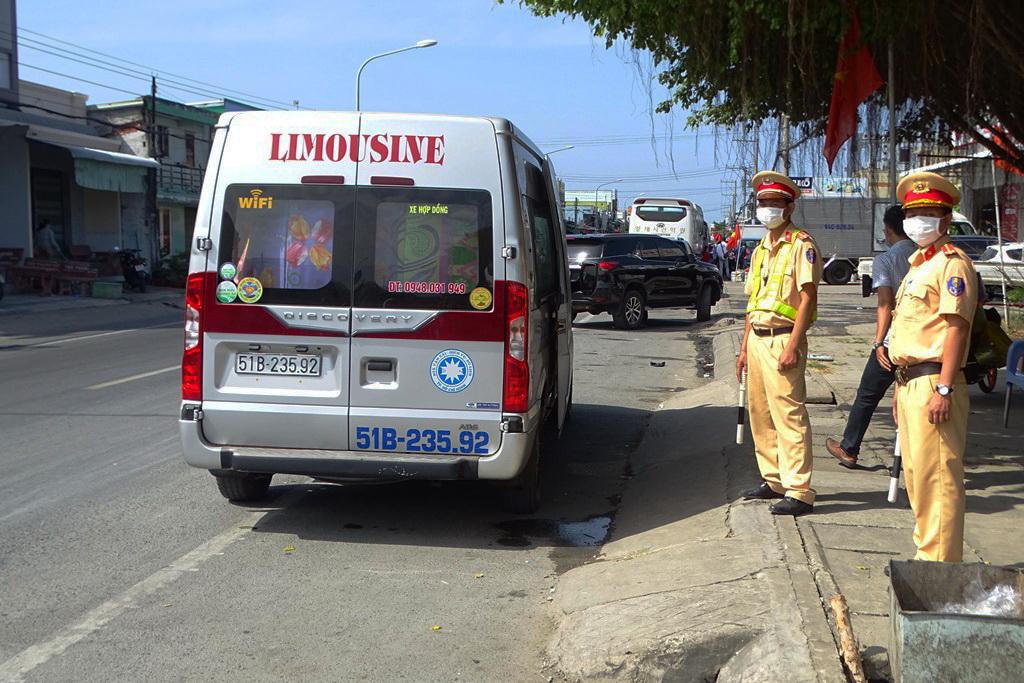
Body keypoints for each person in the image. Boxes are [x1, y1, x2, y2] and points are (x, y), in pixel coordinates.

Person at [888, 171, 977, 562]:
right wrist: (899, 386)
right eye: (912, 213)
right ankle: (927, 555)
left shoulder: (952, 264)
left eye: (927, 213)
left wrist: (944, 388)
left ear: (946, 218)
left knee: (938, 478)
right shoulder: (918, 264)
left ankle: (940, 567)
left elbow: (956, 327)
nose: (917, 220)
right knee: (918, 477)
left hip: (934, 382)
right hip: (911, 382)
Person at [736, 171, 823, 516]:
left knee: (789, 414)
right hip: (758, 340)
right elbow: (752, 302)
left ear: (789, 207)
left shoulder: (802, 245)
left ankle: (799, 490)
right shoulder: (761, 248)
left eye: (774, 202)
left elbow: (808, 298)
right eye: (763, 202)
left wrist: (793, 345)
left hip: (783, 339)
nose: (767, 208)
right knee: (760, 413)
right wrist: (744, 348)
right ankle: (773, 478)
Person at [825, 205, 913, 467]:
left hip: (893, 342)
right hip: (921, 344)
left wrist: (878, 343)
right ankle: (915, 460)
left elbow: (885, 304)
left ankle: (849, 448)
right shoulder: (925, 257)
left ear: (888, 230)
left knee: (867, 395)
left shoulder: (886, 260)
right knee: (913, 402)